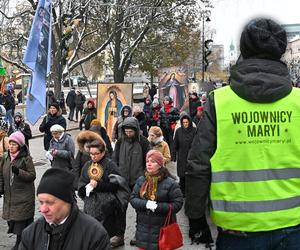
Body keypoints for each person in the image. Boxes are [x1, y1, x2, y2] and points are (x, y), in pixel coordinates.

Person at [185, 18, 299, 249]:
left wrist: (196, 218)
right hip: (293, 227)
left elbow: (198, 165)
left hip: (237, 231)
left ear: (244, 50)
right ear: (281, 51)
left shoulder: (220, 102)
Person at [19, 168, 111, 249]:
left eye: (50, 203)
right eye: (41, 202)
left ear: (67, 202)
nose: (43, 209)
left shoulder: (95, 235)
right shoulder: (30, 233)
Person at [130, 150, 183, 250]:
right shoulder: (141, 180)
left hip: (162, 228)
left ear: (160, 165)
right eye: (147, 161)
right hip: (143, 229)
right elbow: (133, 199)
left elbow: (178, 204)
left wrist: (158, 207)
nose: (149, 164)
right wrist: (146, 204)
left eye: (153, 161)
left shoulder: (171, 183)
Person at [112, 116, 150, 247]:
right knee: (120, 210)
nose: (128, 134)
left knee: (141, 210)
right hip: (122, 182)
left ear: (136, 130)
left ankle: (139, 235)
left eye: (131, 132)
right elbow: (114, 160)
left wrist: (144, 176)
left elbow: (149, 161)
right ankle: (119, 236)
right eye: (126, 131)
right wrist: (116, 175)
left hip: (138, 182)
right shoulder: (120, 141)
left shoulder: (143, 142)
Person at [78, 139, 122, 238]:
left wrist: (98, 185)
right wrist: (86, 188)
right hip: (90, 207)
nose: (93, 156)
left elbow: (115, 186)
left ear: (102, 153)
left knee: (104, 236)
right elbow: (81, 184)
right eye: (91, 154)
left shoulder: (110, 165)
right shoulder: (87, 165)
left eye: (96, 153)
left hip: (106, 208)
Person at [0, 131, 36, 250]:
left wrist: (18, 172)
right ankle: (24, 240)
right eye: (10, 143)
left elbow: (32, 176)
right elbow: (1, 175)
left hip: (24, 196)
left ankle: (20, 243)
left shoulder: (26, 159)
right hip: (10, 196)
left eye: (14, 144)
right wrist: (1, 188)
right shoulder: (5, 158)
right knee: (12, 221)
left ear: (20, 146)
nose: (11, 146)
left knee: (21, 221)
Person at [173, 113, 196, 196]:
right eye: (184, 122)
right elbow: (175, 143)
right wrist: (174, 156)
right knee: (182, 174)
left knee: (190, 174)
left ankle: (189, 191)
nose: (185, 124)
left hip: (191, 155)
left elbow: (197, 143)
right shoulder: (179, 131)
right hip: (182, 155)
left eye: (187, 122)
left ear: (189, 122)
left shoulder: (194, 131)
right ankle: (182, 191)